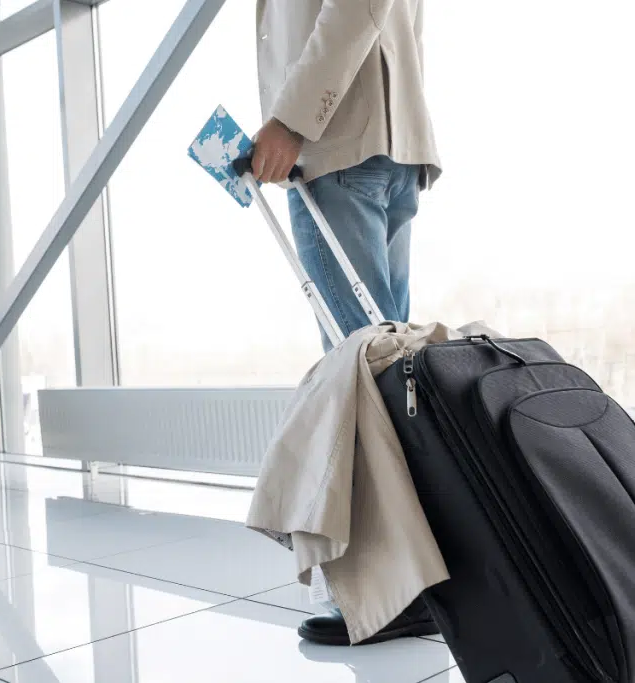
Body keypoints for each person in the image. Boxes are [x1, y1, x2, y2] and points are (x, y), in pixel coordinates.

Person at [252, 0, 443, 645]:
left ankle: (396, 594)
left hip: (338, 146)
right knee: (390, 374)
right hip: (388, 142)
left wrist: (289, 119)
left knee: (361, 379)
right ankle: (423, 579)